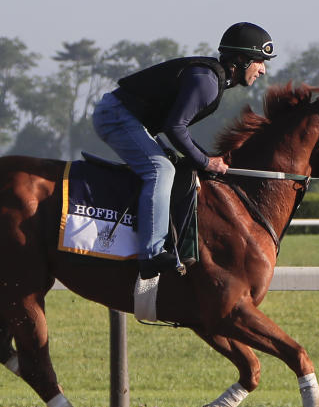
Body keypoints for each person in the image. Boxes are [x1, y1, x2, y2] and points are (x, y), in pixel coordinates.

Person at [92, 22, 276, 278]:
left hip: (132, 118)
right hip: (116, 115)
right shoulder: (208, 83)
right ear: (242, 60)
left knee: (178, 164)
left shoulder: (214, 80)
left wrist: (204, 159)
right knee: (160, 169)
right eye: (260, 61)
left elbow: (176, 128)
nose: (263, 70)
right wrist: (206, 161)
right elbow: (175, 127)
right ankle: (152, 254)